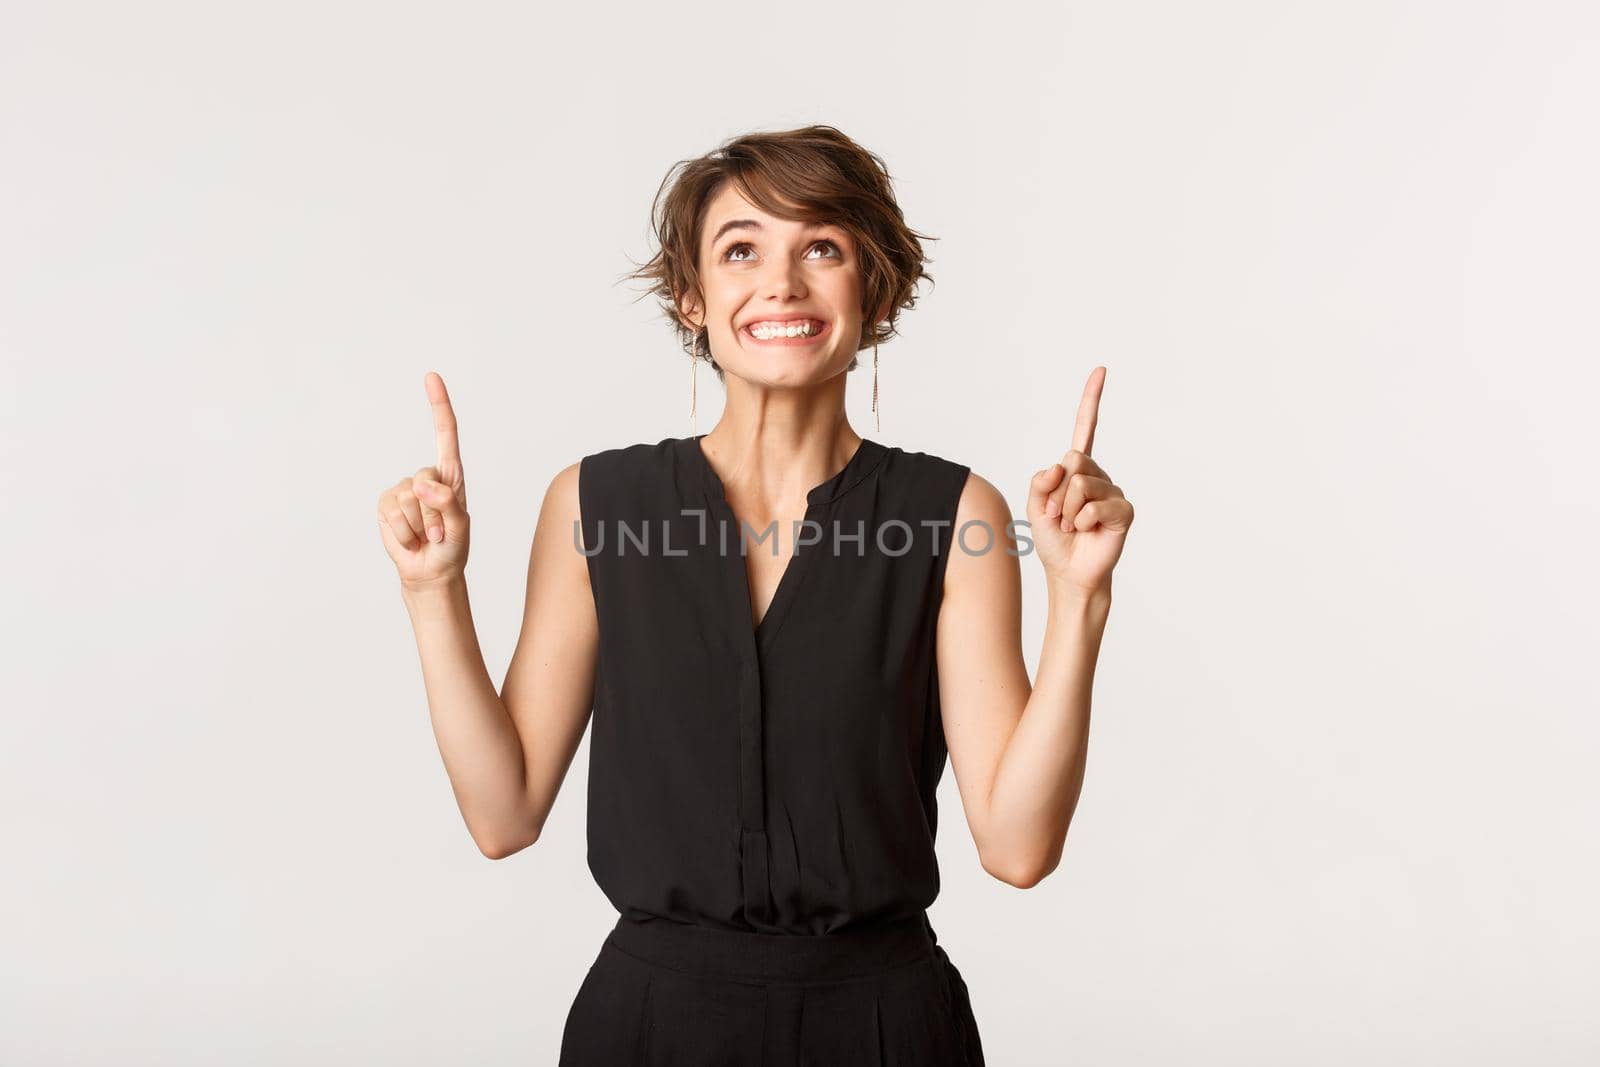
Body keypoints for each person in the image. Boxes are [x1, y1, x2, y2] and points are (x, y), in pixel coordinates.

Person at [376, 125, 1135, 1066]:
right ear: (693, 299)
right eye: (741, 250)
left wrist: (1079, 599)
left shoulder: (952, 516)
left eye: (823, 247)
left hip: (885, 1027)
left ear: (875, 288)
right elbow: (503, 815)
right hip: (650, 1027)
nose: (782, 283)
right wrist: (434, 590)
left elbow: (1019, 848)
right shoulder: (595, 506)